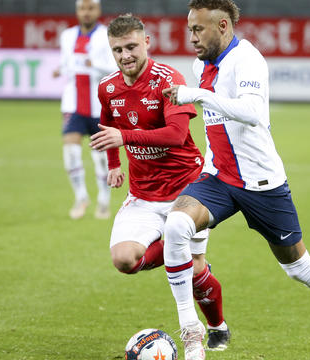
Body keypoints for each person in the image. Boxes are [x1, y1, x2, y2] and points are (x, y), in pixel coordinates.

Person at [160, 1, 310, 359]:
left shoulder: (248, 59)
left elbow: (253, 112)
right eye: (189, 29)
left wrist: (197, 95)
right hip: (219, 177)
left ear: (223, 26)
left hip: (260, 183)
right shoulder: (201, 65)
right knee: (177, 224)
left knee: (298, 268)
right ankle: (191, 334)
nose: (191, 37)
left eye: (198, 29)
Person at [88, 14, 231, 351]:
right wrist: (113, 164)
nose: (126, 56)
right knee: (124, 260)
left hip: (189, 191)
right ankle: (178, 253)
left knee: (195, 271)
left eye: (132, 47)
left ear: (147, 43)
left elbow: (176, 134)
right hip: (143, 194)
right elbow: (107, 128)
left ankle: (217, 326)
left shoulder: (168, 79)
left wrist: (125, 137)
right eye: (118, 50)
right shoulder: (107, 88)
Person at [52, 0, 117, 220]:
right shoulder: (67, 36)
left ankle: (103, 201)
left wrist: (93, 65)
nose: (86, 12)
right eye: (82, 8)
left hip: (98, 104)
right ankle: (81, 197)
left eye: (90, 8)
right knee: (70, 151)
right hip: (72, 103)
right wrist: (59, 69)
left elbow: (115, 67)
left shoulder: (107, 36)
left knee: (100, 157)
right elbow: (66, 63)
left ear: (98, 10)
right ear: (77, 11)